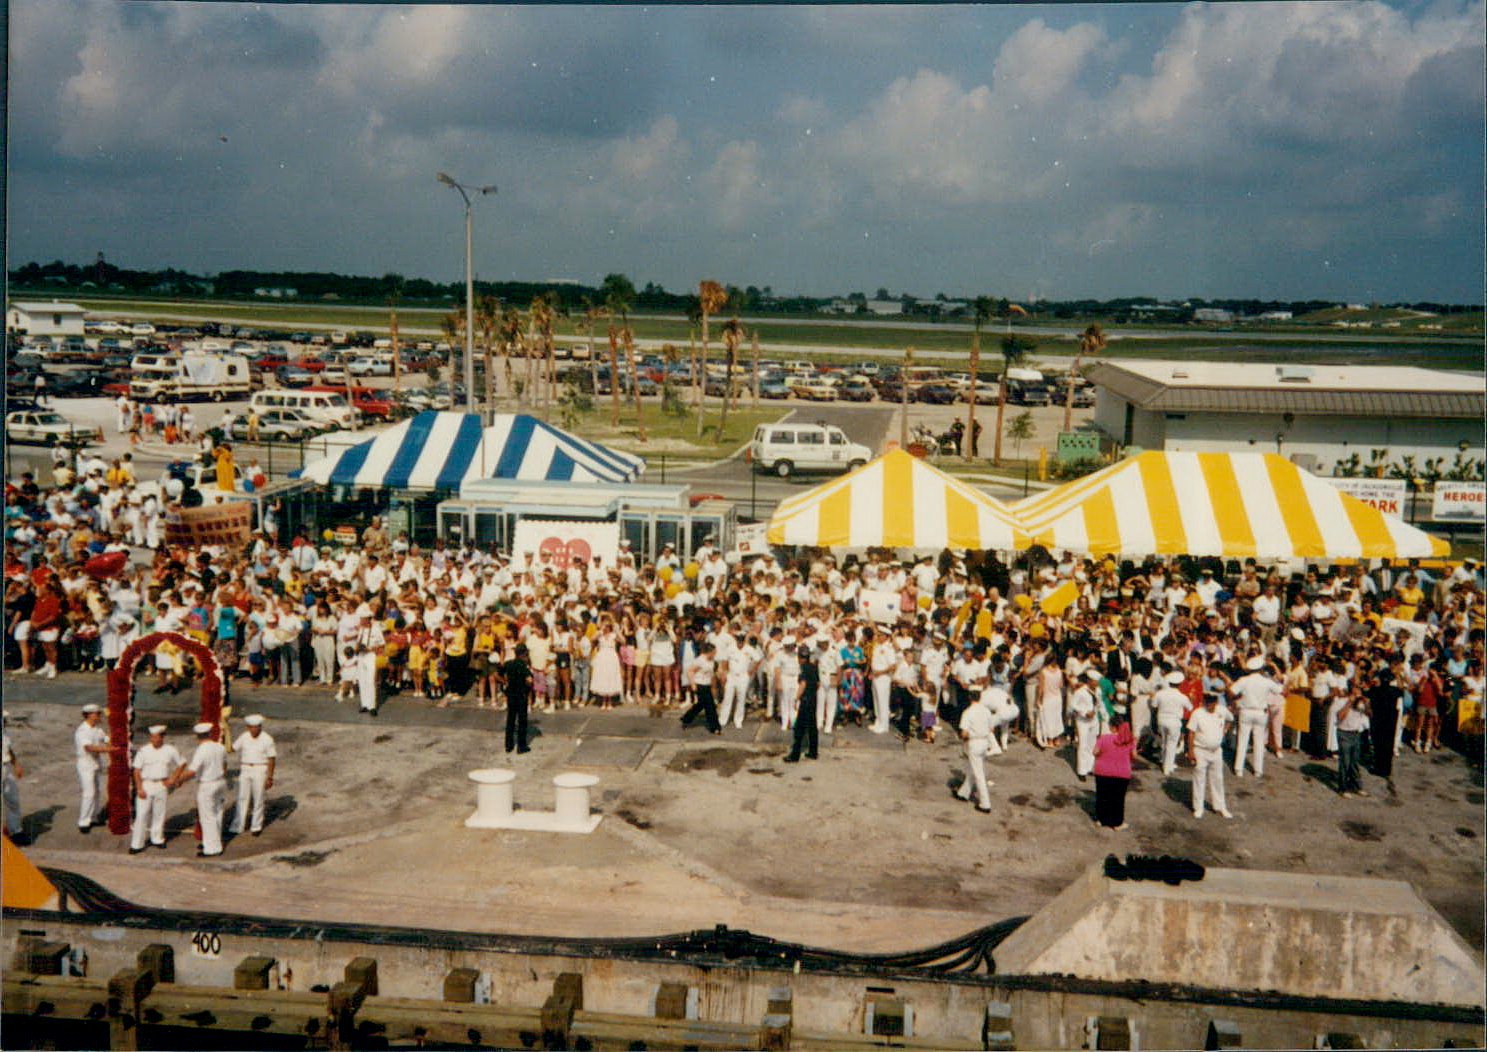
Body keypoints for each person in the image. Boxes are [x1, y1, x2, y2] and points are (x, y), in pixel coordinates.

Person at [172, 723, 228, 856]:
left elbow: (192, 771)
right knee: (217, 814)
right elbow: (225, 764)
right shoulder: (220, 746)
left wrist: (179, 779)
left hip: (207, 784)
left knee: (207, 816)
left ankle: (212, 848)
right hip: (220, 782)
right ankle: (213, 841)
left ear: (197, 736)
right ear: (209, 733)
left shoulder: (202, 750)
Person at [130, 725, 185, 853]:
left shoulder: (170, 750)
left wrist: (173, 778)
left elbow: (182, 763)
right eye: (152, 737)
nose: (154, 739)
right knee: (142, 815)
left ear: (162, 737)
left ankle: (157, 839)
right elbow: (136, 771)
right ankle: (136, 844)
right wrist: (139, 788)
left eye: (157, 737)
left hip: (161, 784)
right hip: (146, 784)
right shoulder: (144, 751)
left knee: (159, 814)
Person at [1187, 694, 1234, 820]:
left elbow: (1231, 719)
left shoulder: (1222, 710)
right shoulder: (1197, 713)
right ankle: (1198, 808)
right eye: (1206, 701)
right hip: (1200, 750)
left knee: (1218, 779)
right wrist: (1190, 751)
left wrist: (1224, 731)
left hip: (1216, 751)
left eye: (1212, 701)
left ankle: (1220, 806)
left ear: (1216, 701)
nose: (1209, 704)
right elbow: (1191, 733)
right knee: (1199, 779)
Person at [230, 714, 276, 837]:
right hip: (245, 768)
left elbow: (271, 759)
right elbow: (232, 748)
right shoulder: (244, 737)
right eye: (251, 727)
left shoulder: (267, 739)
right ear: (247, 727)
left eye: (256, 727)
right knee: (242, 798)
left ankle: (256, 826)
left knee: (258, 798)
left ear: (260, 727)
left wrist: (270, 777)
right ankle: (237, 826)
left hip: (260, 768)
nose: (254, 730)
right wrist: (224, 736)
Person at [954, 679, 994, 812]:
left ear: (970, 696)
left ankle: (985, 803)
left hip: (974, 742)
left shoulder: (968, 712)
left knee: (978, 774)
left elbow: (964, 733)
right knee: (973, 768)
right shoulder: (987, 711)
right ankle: (963, 793)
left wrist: (963, 738)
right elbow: (991, 729)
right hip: (985, 741)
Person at [1229, 655, 1271, 778]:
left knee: (1242, 740)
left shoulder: (1244, 680)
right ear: (1261, 668)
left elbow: (1231, 691)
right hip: (1260, 712)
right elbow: (1281, 691)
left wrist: (1238, 700)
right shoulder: (1266, 681)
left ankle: (1238, 769)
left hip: (1246, 711)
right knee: (1259, 741)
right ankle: (1258, 770)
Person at [1092, 716, 1137, 830]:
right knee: (1118, 798)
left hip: (1103, 771)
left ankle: (1101, 820)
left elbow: (1095, 752)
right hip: (1121, 772)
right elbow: (1134, 755)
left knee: (1102, 796)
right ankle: (1117, 823)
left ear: (1112, 727)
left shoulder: (1104, 738)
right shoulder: (1129, 740)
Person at [74, 703, 110, 832]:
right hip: (85, 763)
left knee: (96, 792)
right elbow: (89, 747)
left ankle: (93, 817)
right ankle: (83, 822)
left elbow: (106, 739)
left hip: (95, 762)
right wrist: (108, 749)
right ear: (89, 715)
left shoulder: (97, 729)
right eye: (97, 714)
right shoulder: (82, 730)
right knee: (89, 793)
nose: (99, 716)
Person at [785, 645, 820, 762]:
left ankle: (794, 755)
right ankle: (813, 752)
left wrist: (796, 698)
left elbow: (803, 684)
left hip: (805, 700)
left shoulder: (803, 668)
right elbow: (818, 684)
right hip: (813, 699)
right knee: (812, 727)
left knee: (799, 728)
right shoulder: (814, 667)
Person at [1335, 688, 1372, 797]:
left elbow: (1370, 714)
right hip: (1344, 734)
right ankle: (1343, 788)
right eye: (1354, 694)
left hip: (1356, 734)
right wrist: (1349, 703)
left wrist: (1367, 704)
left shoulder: (1361, 704)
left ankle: (1357, 786)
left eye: (1358, 694)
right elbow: (1340, 716)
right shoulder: (1342, 702)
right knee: (1345, 762)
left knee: (1354, 762)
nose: (1357, 696)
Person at [679, 642, 721, 734]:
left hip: (707, 685)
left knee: (700, 705)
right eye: (713, 652)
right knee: (710, 707)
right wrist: (693, 684)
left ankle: (686, 718)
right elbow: (690, 671)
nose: (715, 654)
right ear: (709, 652)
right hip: (700, 685)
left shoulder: (712, 660)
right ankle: (715, 727)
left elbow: (713, 671)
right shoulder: (700, 660)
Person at [502, 642, 533, 754]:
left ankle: (508, 745)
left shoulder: (509, 663)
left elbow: (498, 673)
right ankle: (521, 746)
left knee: (510, 720)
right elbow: (529, 680)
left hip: (511, 694)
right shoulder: (523, 666)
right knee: (522, 721)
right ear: (524, 654)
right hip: (521, 695)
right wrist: (528, 687)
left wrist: (505, 682)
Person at [2, 716, 23, 841]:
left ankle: (16, 831)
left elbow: (9, 749)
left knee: (13, 800)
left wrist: (16, 765)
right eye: (3, 719)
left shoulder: (5, 732)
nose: (6, 722)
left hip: (6, 767)